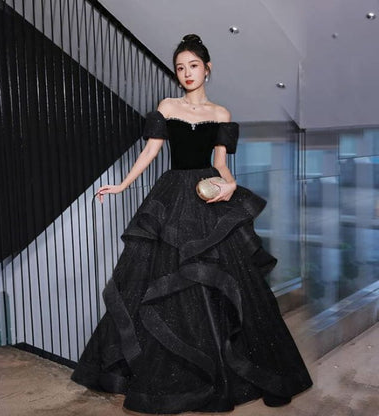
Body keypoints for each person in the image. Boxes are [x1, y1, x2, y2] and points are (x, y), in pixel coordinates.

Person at [71, 34, 313, 414]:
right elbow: (150, 152)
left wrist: (230, 185)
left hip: (208, 195)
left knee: (227, 282)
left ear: (207, 68)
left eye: (193, 66)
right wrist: (121, 185)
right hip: (173, 198)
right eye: (180, 67)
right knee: (168, 283)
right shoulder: (167, 106)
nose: (186, 73)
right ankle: (175, 378)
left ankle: (242, 374)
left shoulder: (222, 114)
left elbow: (220, 164)